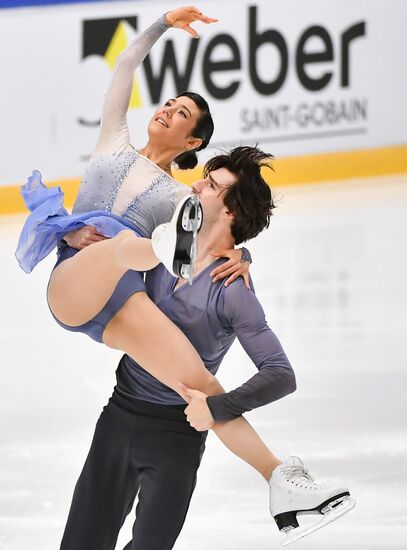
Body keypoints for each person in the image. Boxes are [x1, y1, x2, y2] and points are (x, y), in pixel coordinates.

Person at [14, 6, 310, 518]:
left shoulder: (184, 199)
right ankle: (152, 248)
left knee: (198, 385)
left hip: (123, 305)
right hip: (73, 284)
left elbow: (224, 228)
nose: (167, 111)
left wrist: (242, 254)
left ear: (192, 142)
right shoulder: (114, 140)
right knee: (116, 247)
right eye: (169, 104)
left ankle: (281, 480)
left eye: (181, 116)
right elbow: (126, 63)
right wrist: (163, 25)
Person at [58, 146, 355, 550]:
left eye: (212, 185)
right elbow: (99, 234)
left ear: (231, 212)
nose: (196, 184)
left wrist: (216, 408)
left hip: (177, 436)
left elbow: (281, 374)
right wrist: (71, 233)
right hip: (118, 415)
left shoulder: (234, 292)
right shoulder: (164, 242)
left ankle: (284, 485)